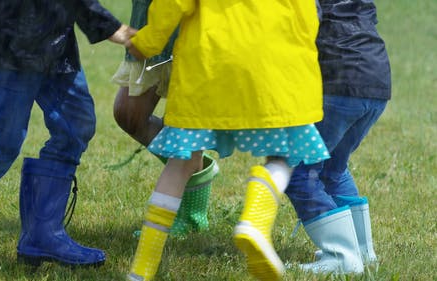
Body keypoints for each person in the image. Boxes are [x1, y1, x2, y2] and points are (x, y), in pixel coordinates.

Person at [124, 1, 329, 280]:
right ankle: (255, 222)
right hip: (272, 69)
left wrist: (148, 41)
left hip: (207, 67)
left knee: (180, 163)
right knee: (281, 158)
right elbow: (307, 14)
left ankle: (142, 268)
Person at [0, 0, 133, 274]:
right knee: (0, 145)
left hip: (55, 37)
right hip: (8, 35)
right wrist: (109, 26)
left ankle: (43, 235)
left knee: (75, 126)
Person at [285, 0, 391, 274]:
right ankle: (362, 252)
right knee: (333, 168)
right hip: (376, 83)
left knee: (297, 171)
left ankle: (341, 257)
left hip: (339, 84)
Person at [111, 0, 218, 237]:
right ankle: (194, 165)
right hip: (151, 19)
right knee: (129, 115)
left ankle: (191, 215)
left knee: (186, 127)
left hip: (195, 29)